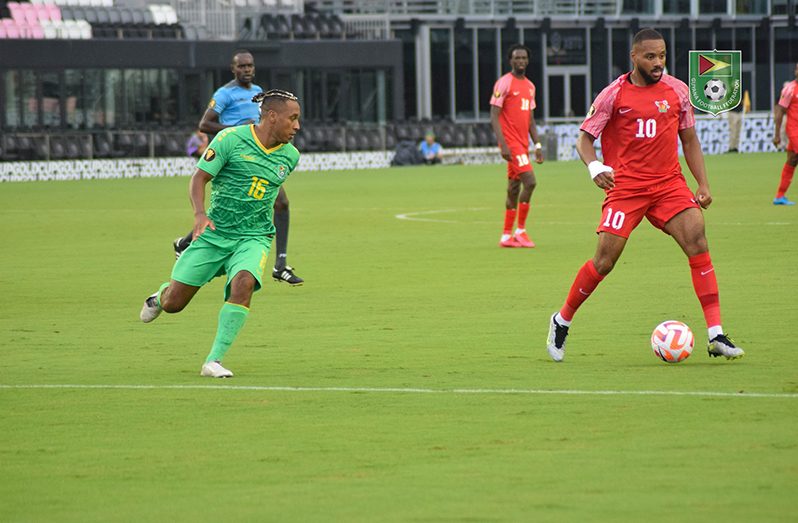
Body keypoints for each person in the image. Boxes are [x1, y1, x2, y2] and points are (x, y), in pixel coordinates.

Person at [545, 28, 744, 363]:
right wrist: (594, 167)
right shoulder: (613, 95)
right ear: (633, 57)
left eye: (662, 55)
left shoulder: (678, 90)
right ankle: (561, 319)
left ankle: (715, 334)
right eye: (650, 56)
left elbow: (690, 140)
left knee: (697, 238)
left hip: (668, 184)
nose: (658, 62)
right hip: (626, 189)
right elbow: (584, 139)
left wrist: (703, 183)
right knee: (605, 261)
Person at [139, 90, 302, 378]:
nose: (297, 126)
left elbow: (270, 194)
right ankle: (160, 298)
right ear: (272, 116)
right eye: (293, 118)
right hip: (215, 233)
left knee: (244, 282)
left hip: (254, 236)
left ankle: (213, 360)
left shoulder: (290, 156)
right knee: (175, 303)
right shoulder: (230, 140)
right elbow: (199, 178)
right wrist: (200, 215)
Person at [173, 50, 304, 285]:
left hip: (258, 155)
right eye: (242, 66)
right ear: (233, 69)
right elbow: (205, 124)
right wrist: (235, 129)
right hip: (232, 154)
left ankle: (280, 263)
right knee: (230, 207)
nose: (247, 70)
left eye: (250, 66)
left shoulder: (258, 93)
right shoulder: (224, 94)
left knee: (280, 202)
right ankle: (190, 243)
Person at [490, 44, 544, 248]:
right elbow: (494, 115)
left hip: (522, 144)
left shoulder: (530, 86)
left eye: (523, 58)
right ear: (510, 61)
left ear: (527, 61)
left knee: (513, 188)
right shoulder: (504, 83)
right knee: (530, 182)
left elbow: (530, 119)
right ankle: (520, 231)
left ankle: (506, 236)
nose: (520, 61)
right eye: (516, 58)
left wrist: (537, 144)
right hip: (512, 144)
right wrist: (503, 145)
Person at [772, 62, 798, 206]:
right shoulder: (789, 89)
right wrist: (777, 135)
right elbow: (780, 112)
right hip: (794, 130)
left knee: (792, 160)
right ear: (795, 71)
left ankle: (779, 196)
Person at [725, 89, 750, 153]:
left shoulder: (741, 91)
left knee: (738, 131)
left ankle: (736, 147)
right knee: (733, 131)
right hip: (732, 112)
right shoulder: (730, 92)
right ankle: (731, 147)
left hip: (739, 112)